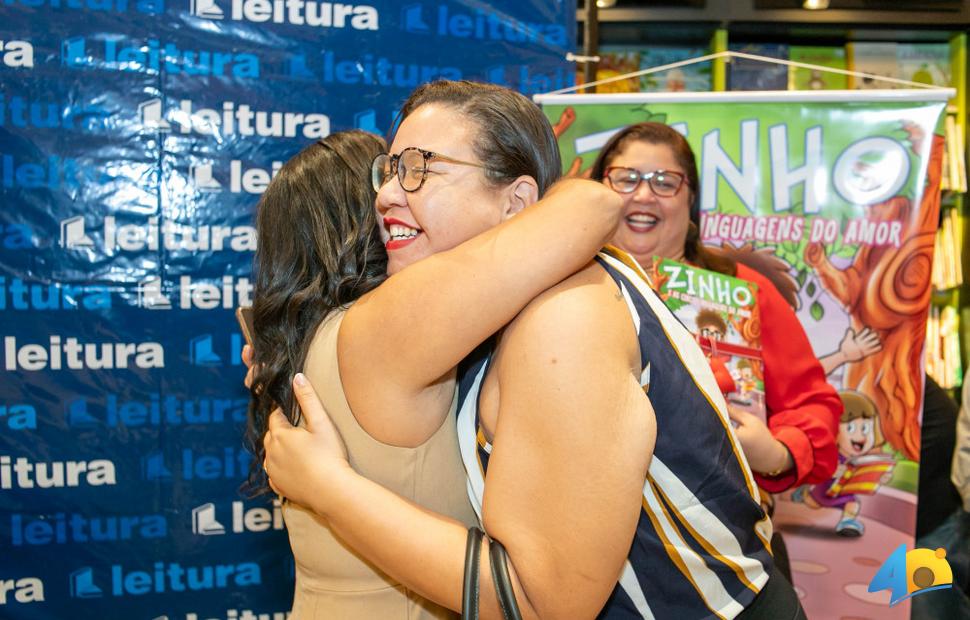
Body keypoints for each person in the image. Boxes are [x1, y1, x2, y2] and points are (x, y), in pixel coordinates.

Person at [262, 81, 804, 619]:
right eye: (391, 170)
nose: (385, 195)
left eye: (421, 168)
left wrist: (331, 489)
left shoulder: (560, 315)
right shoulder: (489, 311)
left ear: (517, 202)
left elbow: (544, 602)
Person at [246, 123, 625, 619]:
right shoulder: (388, 325)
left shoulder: (300, 342)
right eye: (391, 176)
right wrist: (519, 183)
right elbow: (591, 208)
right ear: (364, 219)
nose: (398, 193)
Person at [588, 121, 842, 578]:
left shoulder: (741, 290)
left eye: (665, 182)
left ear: (690, 203)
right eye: (626, 178)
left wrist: (777, 451)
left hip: (725, 550)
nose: (644, 195)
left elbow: (814, 404)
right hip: (591, 551)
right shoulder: (563, 284)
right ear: (598, 191)